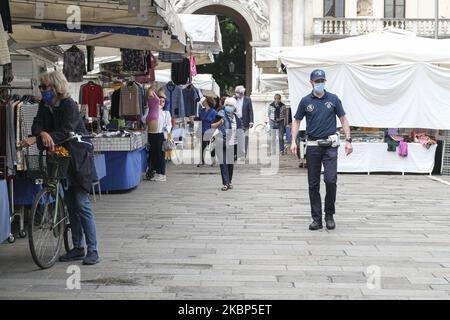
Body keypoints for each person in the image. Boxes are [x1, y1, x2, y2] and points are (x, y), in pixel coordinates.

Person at [20, 71, 99, 265]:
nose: (41, 90)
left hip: (78, 160)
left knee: (81, 204)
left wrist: (43, 136)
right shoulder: (44, 106)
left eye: (44, 87)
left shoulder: (69, 105)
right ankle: (78, 247)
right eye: (40, 87)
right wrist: (42, 134)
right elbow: (36, 126)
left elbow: (66, 131)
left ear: (55, 87)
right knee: (71, 204)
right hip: (60, 159)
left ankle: (93, 250)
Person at [290, 69, 353, 231]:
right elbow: (296, 121)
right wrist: (293, 141)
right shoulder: (305, 101)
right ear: (311, 83)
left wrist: (348, 140)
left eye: (322, 81)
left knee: (331, 180)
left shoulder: (333, 99)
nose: (319, 84)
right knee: (313, 183)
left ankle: (329, 214)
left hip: (330, 146)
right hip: (313, 146)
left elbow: (343, 119)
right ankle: (316, 218)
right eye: (317, 81)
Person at [211, 97, 243, 191]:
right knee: (223, 162)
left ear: (234, 108)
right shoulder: (220, 114)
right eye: (227, 105)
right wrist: (219, 123)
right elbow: (212, 125)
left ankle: (229, 181)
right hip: (221, 141)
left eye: (230, 105)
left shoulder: (237, 118)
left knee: (230, 164)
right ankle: (225, 183)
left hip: (232, 143)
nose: (228, 107)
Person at [148, 92, 172, 182]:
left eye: (163, 101)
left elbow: (169, 124)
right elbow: (144, 119)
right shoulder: (151, 110)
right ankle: (156, 173)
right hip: (151, 134)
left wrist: (167, 129)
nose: (162, 103)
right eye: (160, 101)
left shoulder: (166, 113)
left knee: (160, 155)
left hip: (161, 135)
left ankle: (162, 174)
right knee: (154, 155)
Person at [198, 96, 217, 167]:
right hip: (202, 131)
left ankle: (213, 161)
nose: (203, 102)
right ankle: (202, 161)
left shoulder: (214, 112)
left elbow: (215, 123)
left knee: (211, 147)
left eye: (205, 101)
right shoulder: (202, 111)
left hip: (210, 132)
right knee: (202, 147)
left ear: (208, 102)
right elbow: (199, 119)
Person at [234, 85, 254, 157]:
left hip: (245, 120)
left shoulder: (248, 99)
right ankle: (237, 152)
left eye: (238, 92)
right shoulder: (234, 99)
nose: (236, 94)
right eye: (236, 92)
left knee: (245, 138)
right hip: (237, 120)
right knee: (237, 137)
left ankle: (243, 153)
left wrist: (251, 121)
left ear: (242, 93)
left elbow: (250, 111)